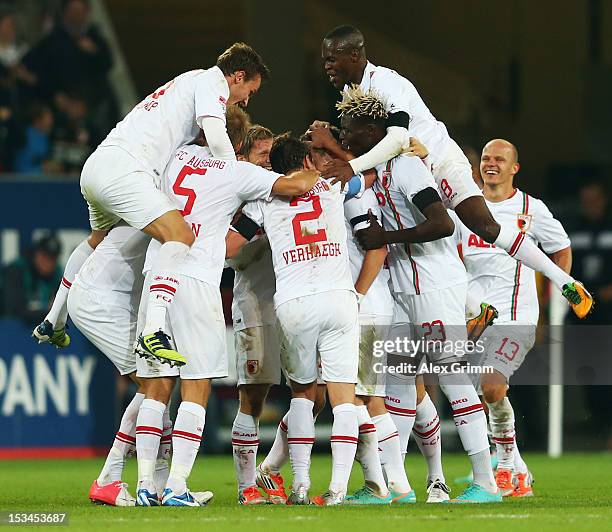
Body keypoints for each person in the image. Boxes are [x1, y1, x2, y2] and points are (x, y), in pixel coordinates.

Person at [315, 24, 592, 322]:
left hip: (436, 160)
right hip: (404, 169)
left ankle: (566, 282)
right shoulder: (351, 90)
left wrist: (349, 165)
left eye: (333, 58)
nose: (327, 66)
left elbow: (396, 138)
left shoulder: (386, 82)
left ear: (355, 55)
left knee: (484, 227)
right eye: (325, 60)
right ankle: (475, 308)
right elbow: (372, 140)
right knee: (435, 242)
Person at [32, 42, 269, 370]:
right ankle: (153, 330)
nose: (244, 100)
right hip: (127, 172)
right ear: (238, 76)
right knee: (179, 235)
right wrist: (235, 182)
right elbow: (216, 136)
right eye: (249, 91)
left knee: (97, 239)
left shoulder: (185, 83)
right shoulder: (211, 82)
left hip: (98, 164)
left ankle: (53, 319)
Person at [68, 104, 254, 507]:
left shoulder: (163, 175)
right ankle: (156, 484)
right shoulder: (182, 198)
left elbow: (90, 243)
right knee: (167, 385)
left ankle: (145, 485)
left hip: (145, 291)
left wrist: (57, 311)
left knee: (158, 385)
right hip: (110, 300)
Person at [133, 126, 319, 506]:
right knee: (212, 388)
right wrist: (330, 167)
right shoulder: (243, 181)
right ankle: (205, 486)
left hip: (162, 272)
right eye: (261, 153)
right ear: (238, 148)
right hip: (235, 292)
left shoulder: (179, 155)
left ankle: (146, 486)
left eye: (271, 155)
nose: (266, 162)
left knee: (157, 386)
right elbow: (231, 248)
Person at [342, 88, 501, 503]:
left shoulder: (408, 168)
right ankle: (399, 484)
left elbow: (442, 223)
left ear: (372, 131)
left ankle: (485, 481)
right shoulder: (374, 173)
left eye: (350, 131)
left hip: (434, 284)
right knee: (397, 380)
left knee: (451, 377)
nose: (346, 139)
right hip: (401, 286)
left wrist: (388, 236)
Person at [228, 135, 360, 506]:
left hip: (294, 303)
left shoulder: (263, 199)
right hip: (338, 297)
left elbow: (233, 243)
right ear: (306, 161)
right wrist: (335, 146)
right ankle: (337, 489)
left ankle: (300, 484)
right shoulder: (332, 185)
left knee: (302, 394)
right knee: (342, 399)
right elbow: (362, 174)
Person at [456, 139, 573, 497]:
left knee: (492, 385)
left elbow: (561, 248)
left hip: (516, 315)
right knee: (485, 398)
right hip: (475, 320)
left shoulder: (530, 208)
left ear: (514, 168)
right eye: (487, 158)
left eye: (500, 160)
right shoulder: (464, 208)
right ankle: (517, 468)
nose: (491, 164)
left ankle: (505, 467)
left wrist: (551, 299)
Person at [2, 232, 62, 326]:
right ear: (36, 254)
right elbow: (14, 310)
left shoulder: (58, 275)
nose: (48, 262)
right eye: (44, 256)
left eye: (52, 258)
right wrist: (50, 312)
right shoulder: (17, 271)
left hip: (45, 332)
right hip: (12, 331)